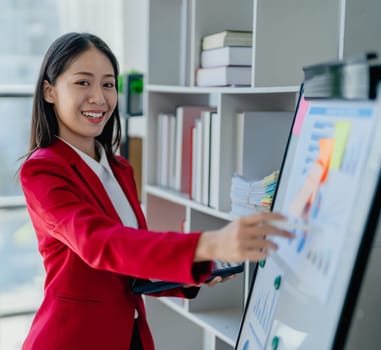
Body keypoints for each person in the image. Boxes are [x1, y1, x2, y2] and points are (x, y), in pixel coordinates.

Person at [19, 32, 293, 350]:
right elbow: (100, 243)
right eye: (83, 82)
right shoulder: (43, 170)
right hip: (72, 339)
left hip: (130, 337)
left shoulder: (119, 169)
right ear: (49, 91)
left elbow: (131, 268)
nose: (99, 97)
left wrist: (198, 268)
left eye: (108, 84)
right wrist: (210, 243)